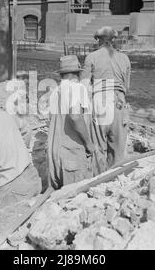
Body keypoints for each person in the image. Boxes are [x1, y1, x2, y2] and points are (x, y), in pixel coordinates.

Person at [80, 26, 131, 173]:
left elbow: (84, 86)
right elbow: (126, 87)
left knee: (97, 146)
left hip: (100, 102)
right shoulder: (125, 58)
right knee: (118, 148)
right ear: (114, 40)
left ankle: (98, 181)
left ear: (98, 40)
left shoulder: (92, 57)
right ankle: (115, 179)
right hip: (119, 103)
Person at [48, 55, 95, 189]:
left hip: (54, 154)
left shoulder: (55, 91)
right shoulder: (77, 88)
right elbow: (75, 116)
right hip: (71, 155)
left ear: (61, 74)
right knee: (74, 200)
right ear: (77, 73)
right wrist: (88, 143)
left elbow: (51, 121)